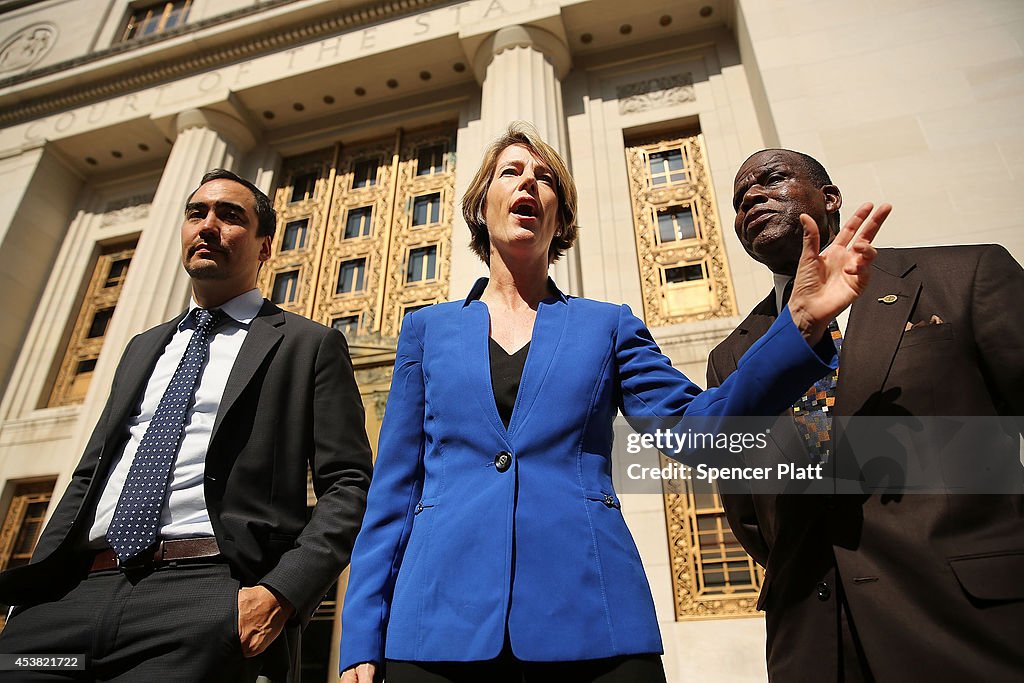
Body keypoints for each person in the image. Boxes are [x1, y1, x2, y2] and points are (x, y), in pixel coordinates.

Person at [338, 123, 889, 683]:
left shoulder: (607, 326)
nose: (529, 183)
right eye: (512, 172)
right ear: (482, 205)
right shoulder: (426, 331)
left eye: (545, 179)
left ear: (560, 217)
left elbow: (699, 431)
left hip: (591, 616)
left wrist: (801, 322)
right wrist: (361, 634)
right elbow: (395, 491)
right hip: (437, 624)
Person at [0, 169, 374, 681]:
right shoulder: (141, 348)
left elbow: (349, 483)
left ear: (264, 247)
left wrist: (281, 593)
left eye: (230, 216)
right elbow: (88, 479)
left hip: (201, 599)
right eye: (197, 213)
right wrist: (32, 594)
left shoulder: (306, 345)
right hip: (69, 601)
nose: (208, 226)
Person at [708, 148, 1024, 681]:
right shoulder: (733, 357)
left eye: (772, 181)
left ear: (830, 199)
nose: (752, 199)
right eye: (740, 201)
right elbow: (747, 510)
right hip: (814, 640)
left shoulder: (962, 275)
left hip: (972, 619)